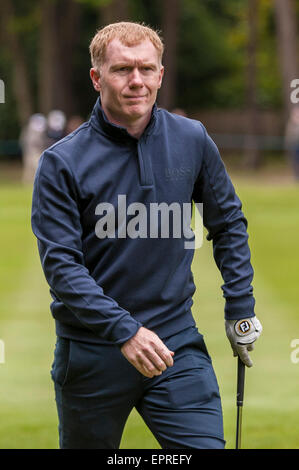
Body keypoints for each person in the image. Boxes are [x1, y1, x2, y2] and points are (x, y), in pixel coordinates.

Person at [31, 22, 262, 449]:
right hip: (92, 351)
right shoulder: (61, 163)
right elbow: (62, 268)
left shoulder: (192, 139)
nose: (136, 80)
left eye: (146, 69)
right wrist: (125, 331)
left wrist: (240, 307)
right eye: (122, 69)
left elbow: (228, 222)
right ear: (97, 78)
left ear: (161, 74)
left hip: (177, 345)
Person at [20, 113, 47, 184]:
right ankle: (28, 183)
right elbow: (25, 141)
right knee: (30, 169)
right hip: (31, 151)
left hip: (38, 151)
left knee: (36, 167)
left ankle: (36, 182)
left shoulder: (40, 130)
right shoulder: (29, 130)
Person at [285, 106, 299, 180]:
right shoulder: (291, 124)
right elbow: (289, 136)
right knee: (295, 161)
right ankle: (296, 176)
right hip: (294, 146)